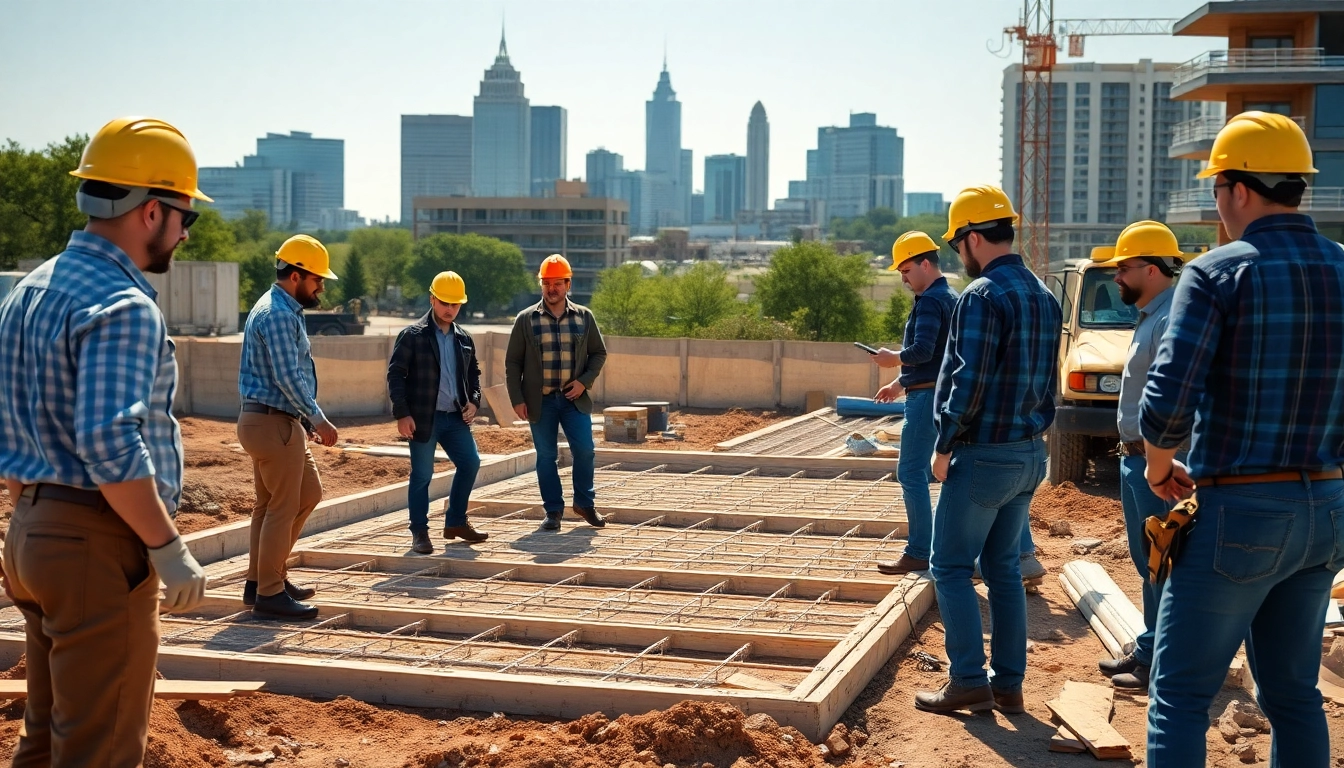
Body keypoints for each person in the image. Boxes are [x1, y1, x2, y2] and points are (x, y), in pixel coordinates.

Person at [0, 116, 209, 766]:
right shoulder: (123, 304)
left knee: (46, 739)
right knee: (99, 749)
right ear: (151, 211)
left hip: (30, 533)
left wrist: (29, 511)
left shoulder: (28, 291)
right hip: (94, 545)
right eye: (184, 218)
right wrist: (166, 547)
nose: (183, 233)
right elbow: (108, 443)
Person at [1140, 112, 1344, 767]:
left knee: (1178, 696)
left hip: (1240, 515)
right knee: (1293, 695)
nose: (1216, 203)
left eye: (1217, 188)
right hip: (1327, 514)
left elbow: (1167, 399)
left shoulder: (1217, 272)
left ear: (1238, 189)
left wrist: (1158, 465)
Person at [914, 185, 1061, 714]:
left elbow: (967, 379)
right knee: (1002, 567)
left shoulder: (981, 295)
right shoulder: (1044, 294)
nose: (961, 255)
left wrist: (945, 442)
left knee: (948, 564)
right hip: (1028, 452)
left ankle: (969, 679)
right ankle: (1008, 684)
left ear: (975, 237)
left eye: (960, 244)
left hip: (983, 454)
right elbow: (1051, 383)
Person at [1096, 220, 1186, 691]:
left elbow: (1175, 398)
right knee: (1150, 562)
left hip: (1157, 465)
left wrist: (1161, 462)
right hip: (1139, 460)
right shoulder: (1154, 315)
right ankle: (1151, 647)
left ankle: (1159, 663)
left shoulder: (1172, 319)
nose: (1116, 276)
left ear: (1152, 269)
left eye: (1123, 268)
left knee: (1162, 563)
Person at [237, 234, 340, 620]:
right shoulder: (278, 314)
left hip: (271, 420)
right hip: (272, 422)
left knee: (295, 497)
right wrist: (317, 417)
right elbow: (287, 375)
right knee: (282, 507)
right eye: (317, 280)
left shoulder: (278, 308)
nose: (322, 287)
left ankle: (263, 579)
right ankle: (269, 591)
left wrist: (302, 418)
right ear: (296, 275)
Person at [869, 231, 958, 576]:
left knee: (910, 472)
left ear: (925, 263)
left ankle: (921, 550)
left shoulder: (932, 301)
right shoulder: (950, 296)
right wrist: (900, 382)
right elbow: (938, 359)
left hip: (927, 400)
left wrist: (894, 359)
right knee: (927, 472)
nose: (903, 279)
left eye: (906, 270)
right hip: (936, 392)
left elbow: (922, 351)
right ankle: (937, 547)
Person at [506, 254, 608, 531]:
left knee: (585, 450)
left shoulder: (584, 317)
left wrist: (583, 382)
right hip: (541, 402)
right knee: (546, 456)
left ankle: (584, 504)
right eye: (547, 283)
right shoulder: (526, 319)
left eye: (557, 283)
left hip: (574, 400)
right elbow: (513, 362)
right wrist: (517, 398)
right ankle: (553, 511)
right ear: (541, 284)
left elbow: (599, 353)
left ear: (568, 284)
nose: (552, 289)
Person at [387, 271, 484, 554]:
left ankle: (455, 521)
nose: (450, 309)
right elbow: (395, 376)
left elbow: (474, 374)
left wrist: (474, 401)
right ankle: (419, 532)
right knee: (422, 475)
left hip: (455, 418)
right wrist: (402, 414)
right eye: (444, 302)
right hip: (422, 419)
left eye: (455, 304)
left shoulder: (463, 338)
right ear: (432, 299)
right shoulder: (412, 336)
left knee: (471, 463)